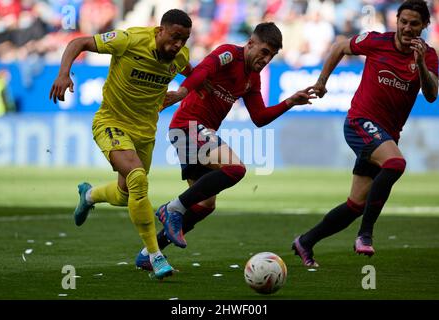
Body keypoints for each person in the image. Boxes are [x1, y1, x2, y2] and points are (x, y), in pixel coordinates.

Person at [135, 22, 317, 270]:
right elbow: (203, 70)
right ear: (250, 43)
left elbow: (259, 118)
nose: (266, 59)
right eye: (264, 52)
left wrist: (290, 102)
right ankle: (172, 208)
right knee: (235, 169)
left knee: (205, 205)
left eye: (271, 56)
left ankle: (149, 253)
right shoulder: (229, 53)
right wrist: (181, 92)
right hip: (188, 125)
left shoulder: (252, 79)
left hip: (196, 131)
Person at [291, 0, 439, 267]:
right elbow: (338, 46)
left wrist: (420, 66)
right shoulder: (375, 41)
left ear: (425, 26)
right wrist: (322, 81)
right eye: (403, 21)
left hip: (386, 134)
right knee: (395, 164)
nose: (407, 28)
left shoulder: (427, 56)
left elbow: (431, 95)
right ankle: (365, 235)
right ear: (396, 20)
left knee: (355, 205)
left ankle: (305, 241)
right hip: (361, 122)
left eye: (414, 23)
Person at [49, 9, 193, 279]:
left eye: (184, 40)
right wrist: (63, 74)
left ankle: (89, 195)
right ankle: (155, 256)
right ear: (159, 30)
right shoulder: (130, 40)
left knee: (126, 194)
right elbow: (78, 42)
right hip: (111, 123)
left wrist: (182, 92)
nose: (178, 45)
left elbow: (194, 76)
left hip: (145, 133)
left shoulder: (180, 57)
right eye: (174, 37)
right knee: (138, 178)